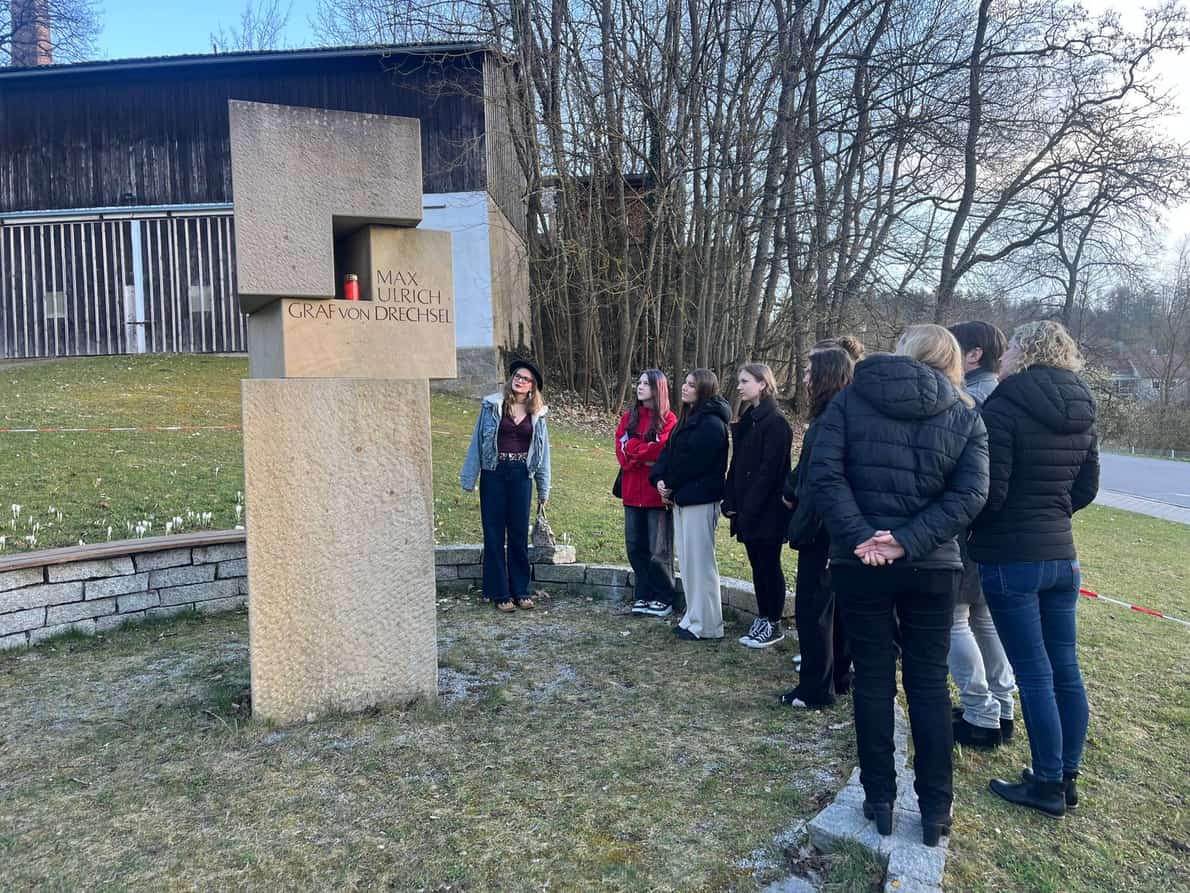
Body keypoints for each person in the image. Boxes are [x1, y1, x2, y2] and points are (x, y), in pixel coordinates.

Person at [809, 324, 989, 847]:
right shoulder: (965, 414)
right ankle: (934, 808)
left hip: (865, 560)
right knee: (928, 683)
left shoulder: (850, 401)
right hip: (930, 565)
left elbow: (825, 475)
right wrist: (900, 540)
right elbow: (971, 495)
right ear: (952, 361)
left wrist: (871, 539)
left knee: (873, 677)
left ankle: (880, 796)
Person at [970, 321, 1099, 818]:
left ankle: (1048, 783)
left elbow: (991, 492)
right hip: (1062, 556)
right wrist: (1051, 511)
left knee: (1036, 674)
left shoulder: (1003, 405)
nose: (1000, 360)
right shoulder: (1084, 405)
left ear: (1023, 353)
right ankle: (1065, 774)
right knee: (1065, 669)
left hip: (1012, 557)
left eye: (1010, 351)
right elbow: (1086, 488)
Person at [946, 321, 1016, 749]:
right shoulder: (1005, 395)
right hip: (996, 532)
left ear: (972, 355)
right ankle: (1002, 705)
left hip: (969, 529)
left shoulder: (972, 400)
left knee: (955, 618)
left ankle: (980, 712)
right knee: (983, 618)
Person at [780, 347, 854, 706]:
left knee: (815, 610)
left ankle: (814, 690)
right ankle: (838, 678)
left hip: (823, 529)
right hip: (827, 525)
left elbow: (823, 477)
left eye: (810, 373)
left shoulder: (832, 420)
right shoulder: (837, 415)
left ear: (826, 376)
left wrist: (801, 505)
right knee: (832, 608)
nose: (805, 379)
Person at [460, 360, 552, 613]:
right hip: (494, 473)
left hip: (522, 475)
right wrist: (469, 477)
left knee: (519, 535)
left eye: (525, 379)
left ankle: (521, 591)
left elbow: (543, 453)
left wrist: (544, 487)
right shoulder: (492, 406)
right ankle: (499, 592)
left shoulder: (538, 414)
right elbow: (477, 442)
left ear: (533, 387)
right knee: (493, 533)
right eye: (517, 376)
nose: (519, 380)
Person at [650, 369, 732, 641]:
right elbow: (669, 453)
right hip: (683, 497)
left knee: (701, 563)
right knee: (686, 562)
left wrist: (670, 483)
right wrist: (659, 479)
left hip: (701, 498)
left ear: (704, 390)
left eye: (691, 385)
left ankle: (708, 624)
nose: (684, 388)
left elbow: (694, 463)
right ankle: (693, 617)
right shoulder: (687, 419)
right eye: (685, 383)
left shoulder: (712, 424)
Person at [723, 363, 794, 648]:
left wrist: (749, 508)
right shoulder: (750, 418)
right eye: (739, 381)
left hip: (767, 510)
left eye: (745, 381)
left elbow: (770, 473)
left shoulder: (776, 422)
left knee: (768, 564)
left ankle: (772, 621)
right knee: (757, 564)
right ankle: (764, 615)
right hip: (747, 507)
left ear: (763, 384)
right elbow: (738, 464)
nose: (739, 386)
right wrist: (731, 500)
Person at [616, 369, 679, 618]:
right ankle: (643, 593)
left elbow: (661, 450)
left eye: (646, 383)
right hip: (632, 492)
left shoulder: (670, 420)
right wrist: (639, 454)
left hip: (655, 496)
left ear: (658, 389)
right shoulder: (628, 418)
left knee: (658, 549)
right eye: (639, 382)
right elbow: (622, 450)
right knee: (634, 546)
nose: (639, 387)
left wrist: (637, 451)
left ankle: (664, 596)